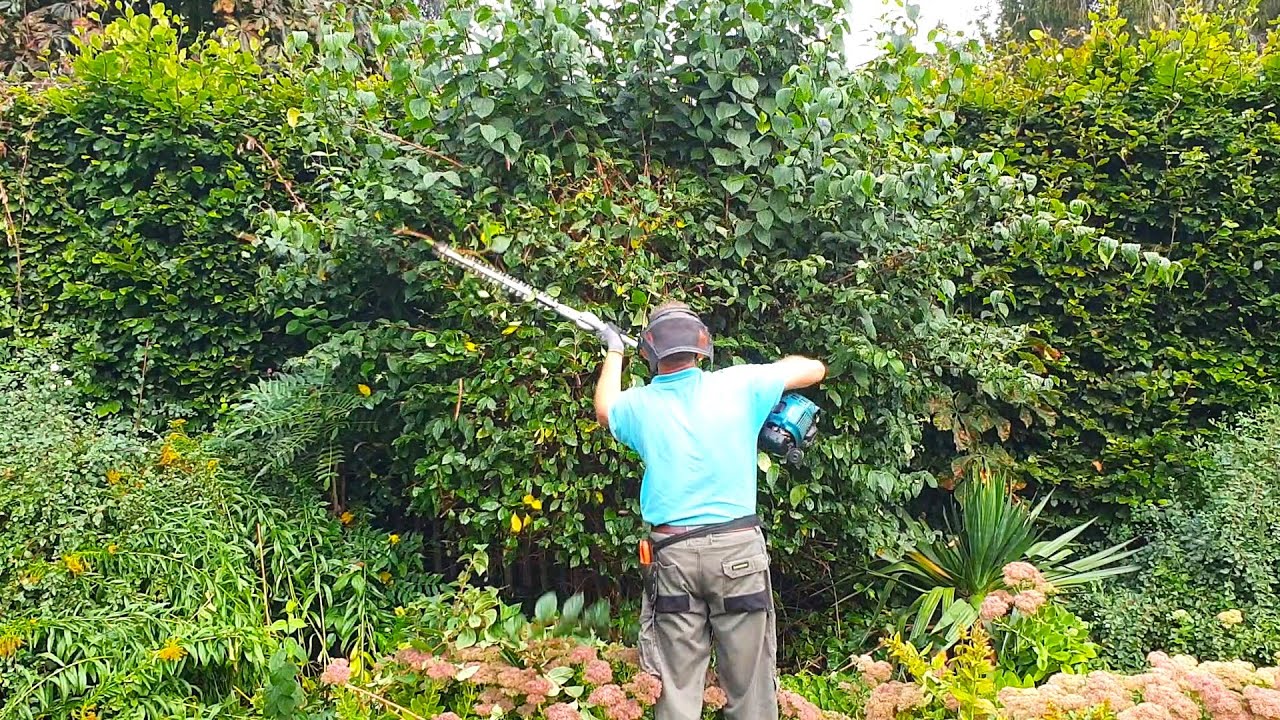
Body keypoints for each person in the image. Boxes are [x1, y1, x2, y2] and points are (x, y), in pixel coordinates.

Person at [578, 300, 827, 720]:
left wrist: (614, 349)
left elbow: (604, 408)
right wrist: (771, 372)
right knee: (751, 692)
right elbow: (814, 368)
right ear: (702, 347)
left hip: (673, 556)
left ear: (648, 352)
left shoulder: (639, 405)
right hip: (738, 555)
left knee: (675, 690)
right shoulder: (741, 384)